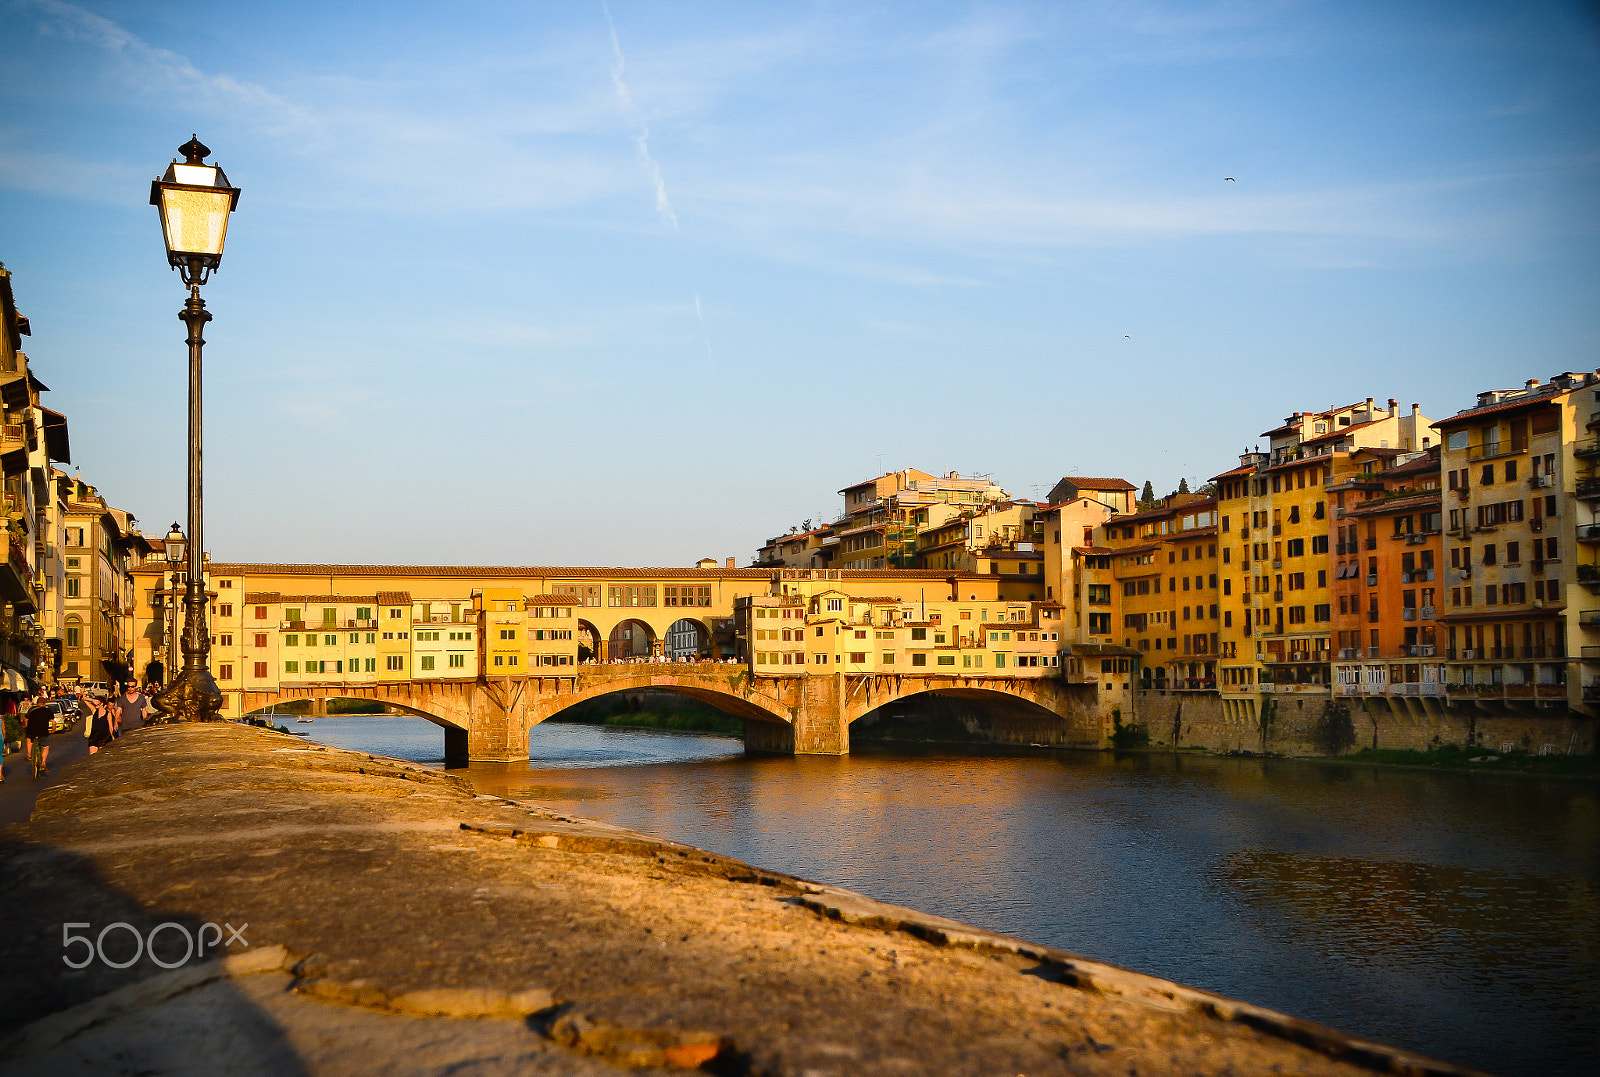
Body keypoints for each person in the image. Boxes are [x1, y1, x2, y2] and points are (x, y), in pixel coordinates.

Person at [23, 693, 53, 779]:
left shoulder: (32, 709)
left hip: (31, 730)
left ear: (37, 704)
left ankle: (29, 754)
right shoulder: (48, 711)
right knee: (46, 747)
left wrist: (25, 727)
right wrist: (53, 730)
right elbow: (53, 722)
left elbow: (26, 720)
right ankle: (43, 763)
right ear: (44, 704)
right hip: (43, 731)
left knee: (29, 739)